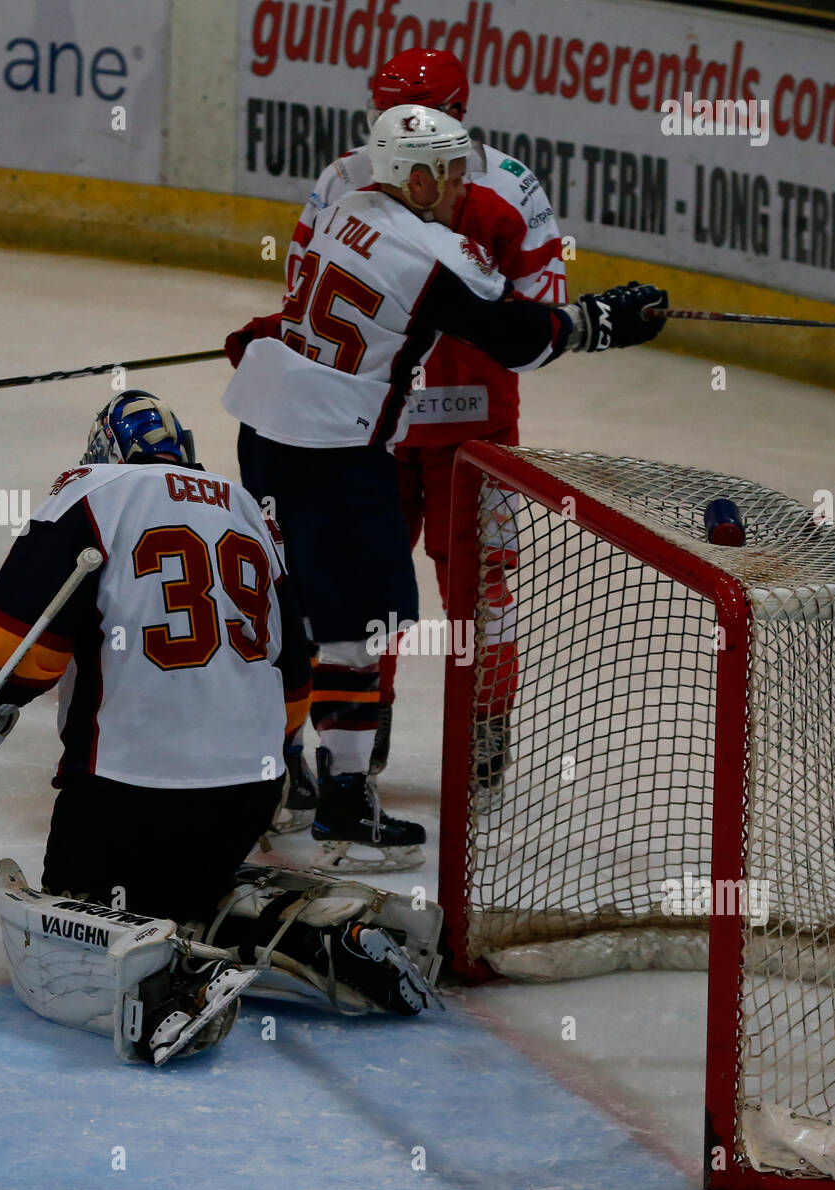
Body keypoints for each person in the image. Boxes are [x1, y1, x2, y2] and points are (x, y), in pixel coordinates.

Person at [0, 390, 435, 1065]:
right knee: (180, 894)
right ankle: (322, 937)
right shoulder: (248, 509)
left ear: (104, 448)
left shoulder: (85, 493)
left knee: (75, 917)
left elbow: (21, 649)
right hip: (247, 793)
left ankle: (172, 983)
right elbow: (293, 675)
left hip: (126, 791)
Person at [223, 103, 668, 871]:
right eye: (454, 169)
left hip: (264, 427)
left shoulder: (349, 206)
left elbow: (319, 303)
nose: (465, 182)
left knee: (293, 609)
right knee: (359, 631)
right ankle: (343, 806)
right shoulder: (433, 253)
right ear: (419, 176)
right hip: (334, 447)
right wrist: (602, 320)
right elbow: (519, 342)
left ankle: (273, 780)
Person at [231, 48, 567, 807]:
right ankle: (358, 731)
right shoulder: (346, 178)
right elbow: (305, 293)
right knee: (354, 591)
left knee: (479, 583)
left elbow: (534, 323)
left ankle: (485, 720)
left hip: (468, 431)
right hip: (366, 427)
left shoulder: (510, 191)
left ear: (460, 113)